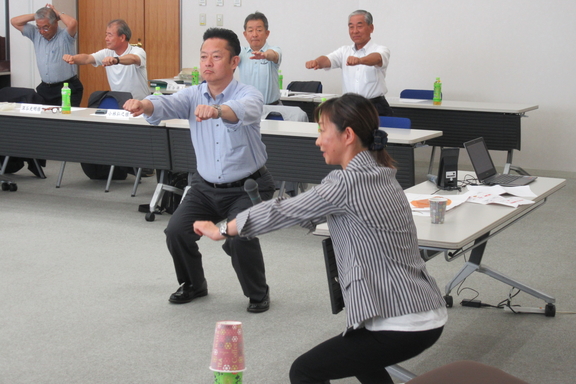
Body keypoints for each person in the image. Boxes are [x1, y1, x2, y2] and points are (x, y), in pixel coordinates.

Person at [194, 93, 447, 383]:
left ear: (347, 135)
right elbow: (308, 211)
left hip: (401, 320)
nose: (318, 140)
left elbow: (282, 212)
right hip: (423, 309)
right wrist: (297, 211)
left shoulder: (346, 182)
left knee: (305, 371)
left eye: (322, 131)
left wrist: (223, 229)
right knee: (362, 362)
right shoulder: (382, 173)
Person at [123, 28, 275, 313]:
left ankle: (258, 292)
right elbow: (165, 103)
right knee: (176, 231)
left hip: (248, 187)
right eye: (204, 56)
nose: (207, 63)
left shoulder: (249, 93)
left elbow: (244, 110)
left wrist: (218, 111)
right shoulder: (193, 94)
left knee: (240, 238)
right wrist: (144, 104)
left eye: (216, 57)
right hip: (205, 188)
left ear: (233, 62)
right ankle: (194, 284)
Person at [305, 10, 393, 116]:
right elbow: (328, 59)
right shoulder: (344, 51)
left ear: (371, 28)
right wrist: (317, 62)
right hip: (349, 107)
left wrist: (360, 60)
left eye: (359, 26)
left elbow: (377, 58)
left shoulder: (381, 49)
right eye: (351, 27)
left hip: (374, 107)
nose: (355, 31)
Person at [11, 4, 84, 107]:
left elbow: (72, 23)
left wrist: (57, 13)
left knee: (66, 120)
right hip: (45, 88)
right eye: (39, 27)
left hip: (67, 87)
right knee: (46, 120)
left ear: (55, 23)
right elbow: (14, 21)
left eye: (45, 27)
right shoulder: (36, 34)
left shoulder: (65, 36)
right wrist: (38, 15)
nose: (42, 31)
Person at [63, 19, 149, 100]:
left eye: (110, 35)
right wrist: (73, 58)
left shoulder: (137, 51)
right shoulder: (107, 53)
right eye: (106, 35)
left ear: (122, 37)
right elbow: (87, 58)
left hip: (141, 104)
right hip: (120, 103)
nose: (106, 39)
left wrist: (116, 60)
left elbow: (133, 59)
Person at [238, 11, 282, 105]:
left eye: (259, 30)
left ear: (267, 33)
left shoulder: (274, 49)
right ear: (245, 34)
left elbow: (273, 55)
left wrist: (265, 55)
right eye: (250, 31)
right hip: (248, 108)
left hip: (271, 108)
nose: (254, 35)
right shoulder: (240, 52)